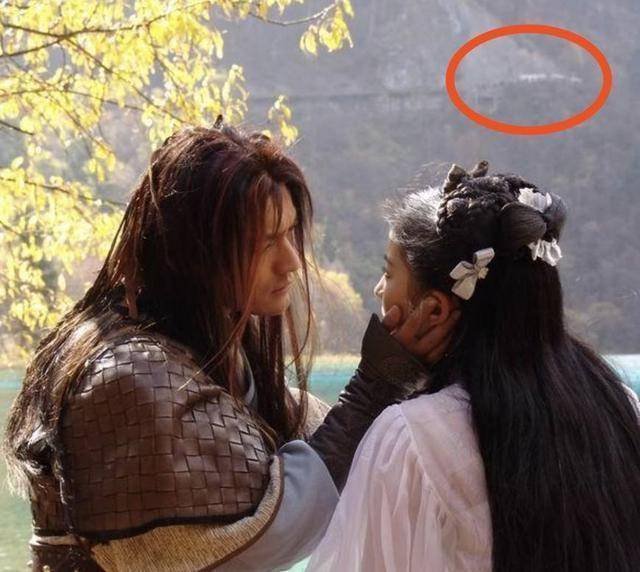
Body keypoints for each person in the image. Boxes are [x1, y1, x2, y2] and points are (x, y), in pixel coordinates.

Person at [2, 122, 456, 571]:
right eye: (266, 243)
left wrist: (405, 386)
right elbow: (267, 534)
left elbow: (316, 436)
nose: (291, 262)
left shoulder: (205, 342)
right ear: (196, 250)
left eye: (290, 234)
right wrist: (374, 388)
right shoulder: (131, 376)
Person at [307, 162, 640, 572]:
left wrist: (377, 381)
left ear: (434, 310)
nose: (379, 289)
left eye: (388, 273)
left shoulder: (412, 440)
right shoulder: (620, 407)